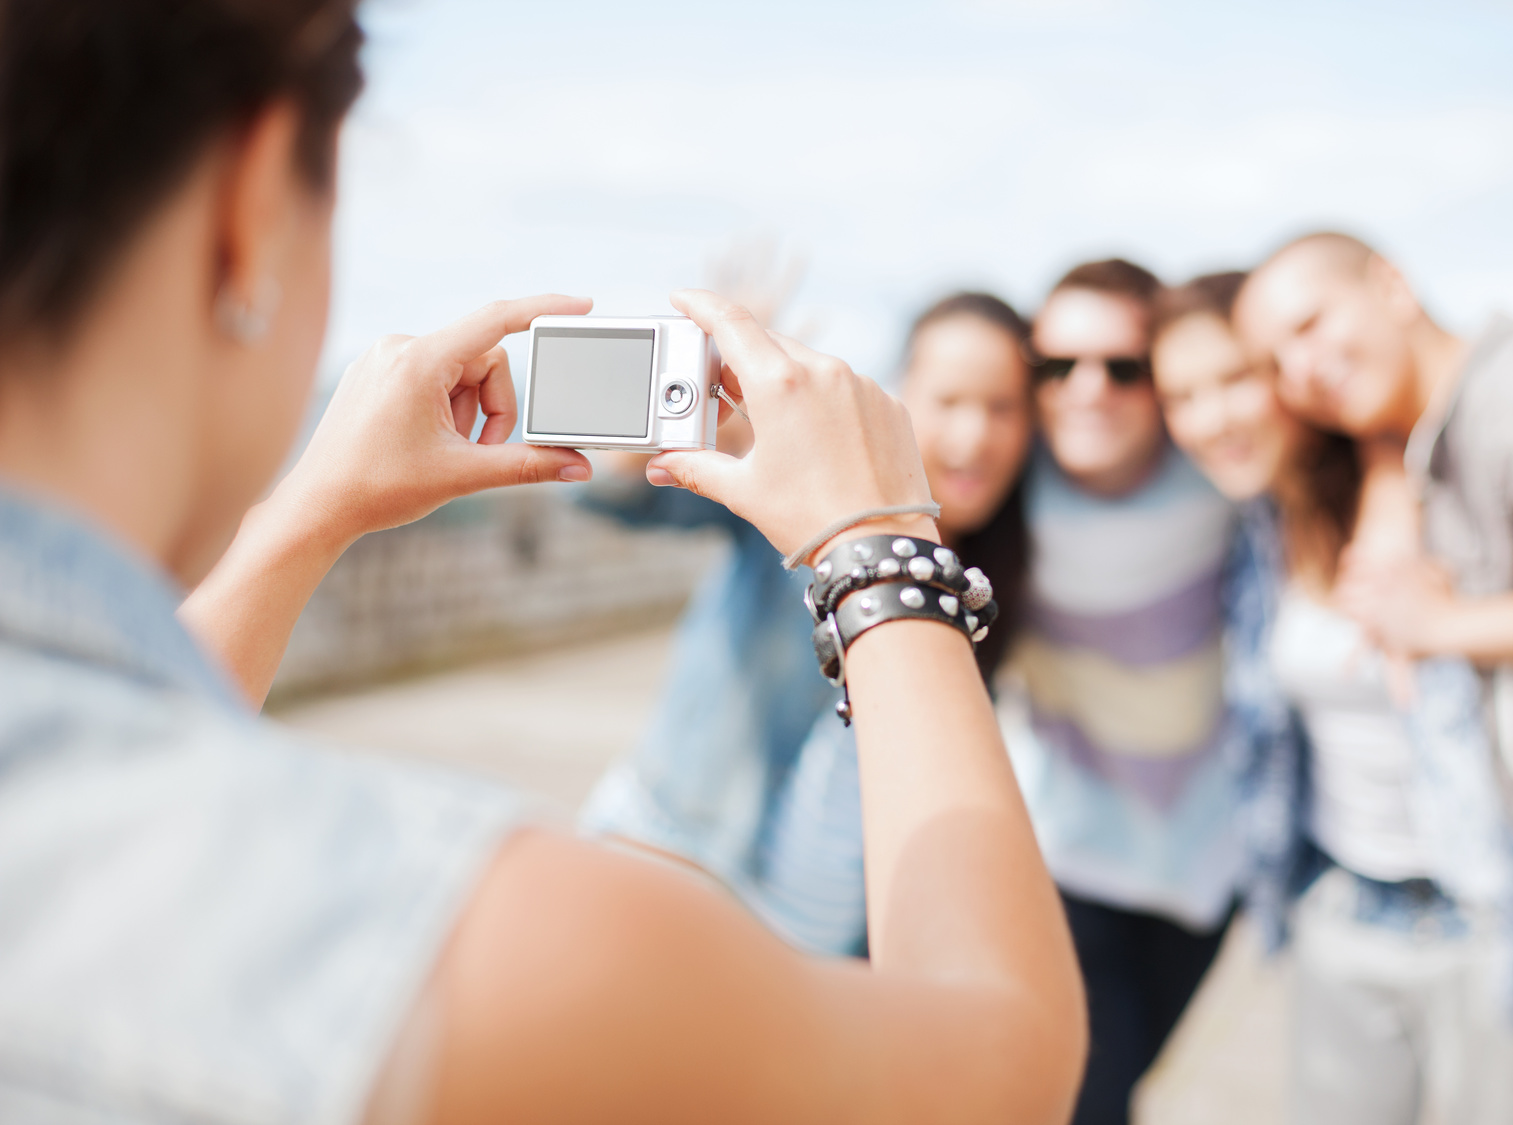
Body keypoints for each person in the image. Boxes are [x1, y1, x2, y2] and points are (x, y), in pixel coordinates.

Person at [0, 3, 1088, 1122]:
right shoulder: (492, 940)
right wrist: (884, 548)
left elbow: (135, 720)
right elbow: (997, 1068)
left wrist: (309, 516)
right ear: (254, 199)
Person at [1235, 231, 1513, 1125]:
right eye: (1277, 359)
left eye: (1313, 322)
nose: (1304, 367)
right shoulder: (1435, 440)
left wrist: (1443, 626)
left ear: (1392, 284)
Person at [1152, 272, 1513, 1124]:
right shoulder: (1258, 525)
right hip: (1339, 902)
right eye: (1182, 395)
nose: (1211, 417)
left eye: (1234, 378)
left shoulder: (1445, 487)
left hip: (1492, 914)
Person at [579, 292, 1034, 955]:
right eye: (949, 401)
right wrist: (682, 412)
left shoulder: (1001, 572)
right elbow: (612, 497)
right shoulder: (803, 501)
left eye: (1001, 407)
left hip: (823, 954)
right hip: (676, 872)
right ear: (898, 394)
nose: (974, 436)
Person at [996, 259, 1241, 1121]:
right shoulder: (999, 490)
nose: (1087, 390)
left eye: (1123, 367)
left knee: (1121, 1085)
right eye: (1057, 366)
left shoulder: (1228, 481)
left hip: (1209, 864)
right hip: (1067, 852)